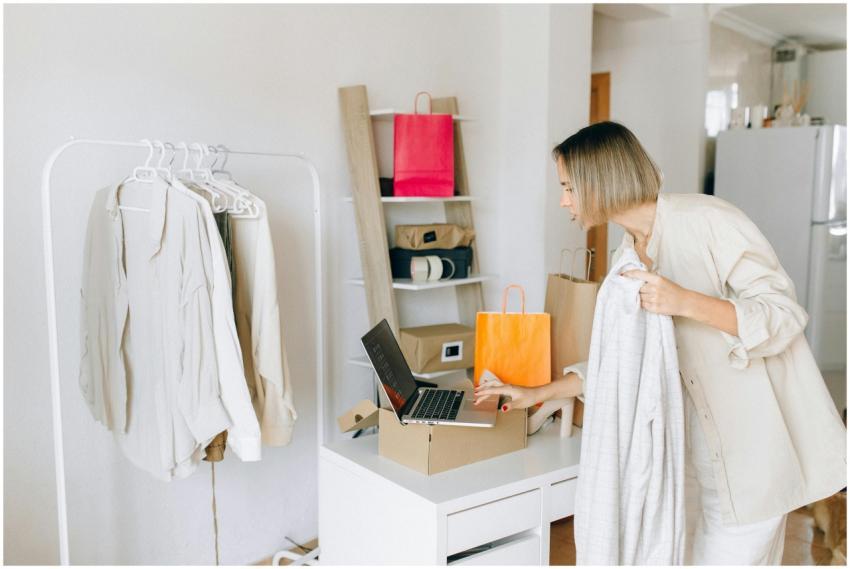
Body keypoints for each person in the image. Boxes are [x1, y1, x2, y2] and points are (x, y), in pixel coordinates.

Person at [474, 121, 847, 565]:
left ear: (600, 181)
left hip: (751, 456)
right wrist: (536, 394)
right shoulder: (626, 256)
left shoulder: (709, 221)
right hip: (685, 460)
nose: (563, 200)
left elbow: (784, 315)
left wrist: (684, 300)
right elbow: (620, 367)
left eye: (568, 186)